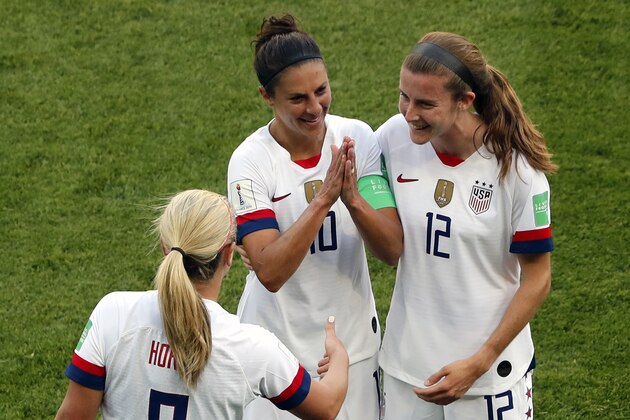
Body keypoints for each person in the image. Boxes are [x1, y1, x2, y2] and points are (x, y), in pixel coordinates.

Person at [227, 14, 403, 420]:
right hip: (273, 355)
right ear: (266, 97)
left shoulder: (358, 138)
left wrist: (354, 200)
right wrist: (324, 199)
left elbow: (392, 249)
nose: (315, 108)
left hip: (353, 350)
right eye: (297, 99)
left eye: (321, 91)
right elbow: (270, 272)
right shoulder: (250, 162)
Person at [376, 32, 557, 419]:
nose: (409, 113)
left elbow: (538, 279)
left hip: (489, 378)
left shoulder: (519, 175)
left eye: (426, 103)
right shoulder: (393, 138)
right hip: (407, 367)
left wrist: (480, 362)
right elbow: (343, 181)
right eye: (404, 96)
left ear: (465, 101)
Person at [55, 189, 349, 420]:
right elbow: (326, 407)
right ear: (229, 255)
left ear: (163, 246)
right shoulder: (252, 347)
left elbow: (73, 416)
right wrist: (339, 358)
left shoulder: (113, 314)